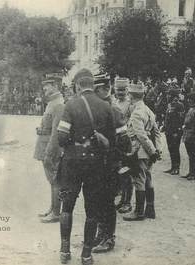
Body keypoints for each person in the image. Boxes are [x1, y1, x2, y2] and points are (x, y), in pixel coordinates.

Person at [57, 69, 115, 265]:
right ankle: (86, 254)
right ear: (92, 85)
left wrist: (75, 144)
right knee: (92, 210)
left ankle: (65, 251)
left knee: (67, 206)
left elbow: (61, 137)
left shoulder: (70, 105)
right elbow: (113, 141)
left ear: (79, 86)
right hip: (96, 165)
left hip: (72, 163)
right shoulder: (106, 107)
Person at [91, 74, 131, 253]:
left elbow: (125, 141)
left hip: (109, 163)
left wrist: (115, 157)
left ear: (102, 90)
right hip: (97, 163)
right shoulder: (96, 107)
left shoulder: (114, 110)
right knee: (98, 200)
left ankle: (109, 238)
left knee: (107, 201)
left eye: (94, 90)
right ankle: (101, 234)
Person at [123, 82, 162, 221]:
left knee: (139, 180)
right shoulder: (148, 110)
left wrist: (152, 151)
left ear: (132, 97)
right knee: (148, 179)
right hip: (149, 151)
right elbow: (156, 132)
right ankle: (150, 209)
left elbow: (141, 135)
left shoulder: (136, 113)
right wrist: (157, 150)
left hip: (140, 151)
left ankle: (139, 212)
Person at [33, 74, 64, 223]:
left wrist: (49, 152)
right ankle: (52, 209)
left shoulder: (58, 104)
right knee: (51, 180)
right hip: (45, 144)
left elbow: (56, 132)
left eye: (48, 84)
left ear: (56, 86)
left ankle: (56, 213)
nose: (44, 87)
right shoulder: (52, 103)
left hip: (50, 148)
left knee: (55, 180)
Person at [112, 77, 134, 214]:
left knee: (126, 173)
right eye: (118, 90)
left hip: (125, 140)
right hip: (115, 141)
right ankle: (122, 200)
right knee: (118, 173)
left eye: (123, 90)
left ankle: (127, 202)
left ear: (127, 90)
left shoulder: (130, 105)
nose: (120, 93)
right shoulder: (113, 103)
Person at [162, 88, 185, 175]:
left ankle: (176, 168)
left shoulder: (179, 105)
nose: (167, 95)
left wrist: (177, 131)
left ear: (173, 96)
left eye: (169, 94)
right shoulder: (169, 105)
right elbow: (167, 118)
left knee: (175, 149)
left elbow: (181, 119)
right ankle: (172, 167)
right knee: (171, 148)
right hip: (169, 131)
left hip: (175, 132)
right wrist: (164, 126)